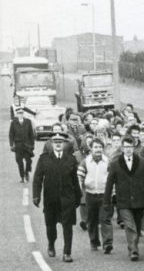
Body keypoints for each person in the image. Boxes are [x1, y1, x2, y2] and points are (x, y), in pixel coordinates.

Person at [32, 131, 81, 262]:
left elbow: (75, 180)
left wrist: (78, 196)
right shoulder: (44, 159)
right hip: (51, 199)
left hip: (67, 198)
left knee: (68, 226)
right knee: (50, 226)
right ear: (52, 144)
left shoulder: (70, 159)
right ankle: (51, 244)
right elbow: (38, 178)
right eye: (55, 142)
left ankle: (67, 253)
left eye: (60, 142)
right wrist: (36, 195)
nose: (58, 144)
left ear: (64, 144)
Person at [105, 136, 144, 261]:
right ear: (122, 148)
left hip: (139, 200)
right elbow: (109, 183)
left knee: (136, 224)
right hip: (123, 200)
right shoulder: (115, 164)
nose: (128, 149)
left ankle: (132, 247)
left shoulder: (143, 162)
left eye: (130, 147)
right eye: (125, 147)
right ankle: (134, 250)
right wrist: (106, 200)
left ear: (134, 147)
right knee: (129, 225)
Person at [77, 138, 113, 254]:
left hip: (104, 195)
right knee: (91, 220)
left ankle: (107, 243)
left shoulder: (108, 161)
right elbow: (79, 177)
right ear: (91, 149)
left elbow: (113, 178)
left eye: (100, 147)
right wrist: (80, 190)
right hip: (90, 195)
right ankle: (94, 241)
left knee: (105, 219)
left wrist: (113, 192)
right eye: (95, 147)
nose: (98, 149)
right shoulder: (86, 162)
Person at [9, 107, 35, 183]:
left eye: (22, 113)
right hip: (18, 145)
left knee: (28, 160)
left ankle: (27, 172)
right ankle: (22, 176)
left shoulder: (28, 121)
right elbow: (11, 134)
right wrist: (11, 144)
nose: (20, 114)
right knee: (19, 161)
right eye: (19, 113)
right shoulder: (14, 122)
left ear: (24, 114)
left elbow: (31, 134)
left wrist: (32, 144)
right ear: (16, 114)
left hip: (27, 145)